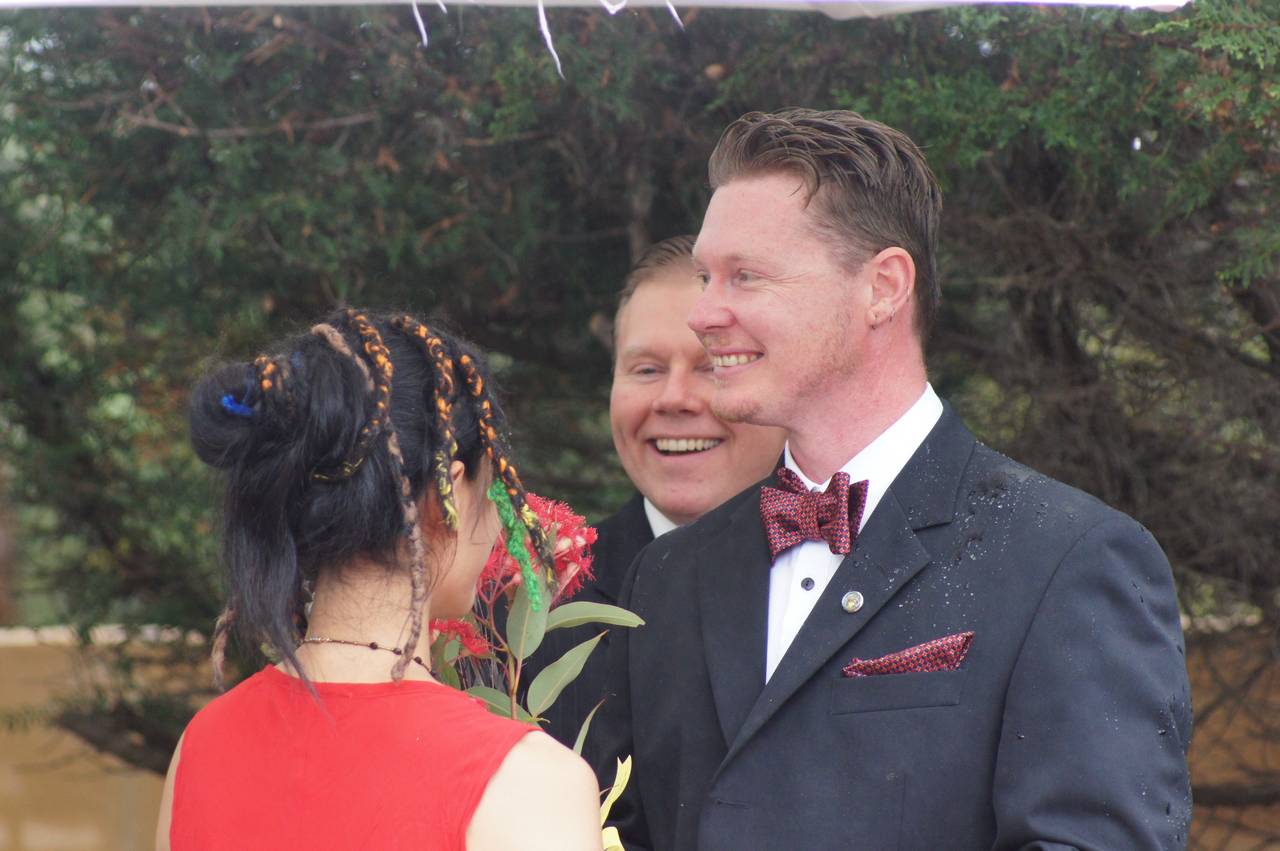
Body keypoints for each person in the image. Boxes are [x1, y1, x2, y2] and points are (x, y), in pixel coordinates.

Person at [593, 110, 1193, 850]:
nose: (705, 314)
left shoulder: (1069, 560)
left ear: (883, 287)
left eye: (745, 276)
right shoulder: (667, 576)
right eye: (705, 278)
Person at [156, 309, 600, 851]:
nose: (495, 527)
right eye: (491, 493)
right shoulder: (529, 786)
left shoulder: (201, 748)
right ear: (445, 498)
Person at [527, 237, 785, 747]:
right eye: (646, 370)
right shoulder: (532, 611)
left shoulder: (852, 574)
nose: (674, 399)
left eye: (713, 366)